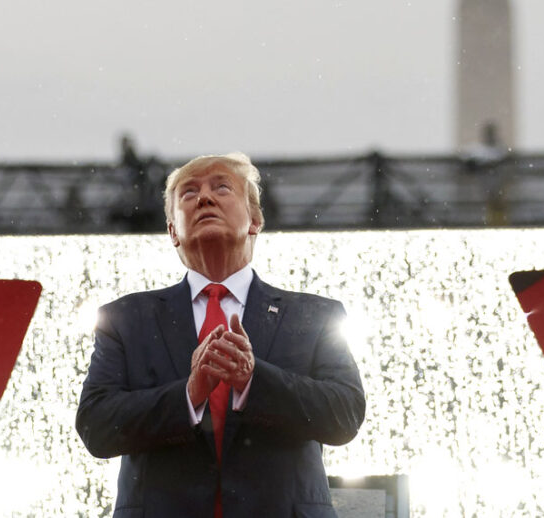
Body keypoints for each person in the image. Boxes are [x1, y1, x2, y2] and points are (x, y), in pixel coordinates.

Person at [76, 152, 365, 518]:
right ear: (172, 231)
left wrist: (253, 380)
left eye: (222, 187)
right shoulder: (124, 319)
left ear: (255, 220)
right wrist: (189, 393)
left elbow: (345, 416)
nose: (205, 198)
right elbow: (96, 426)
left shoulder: (315, 316)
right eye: (189, 192)